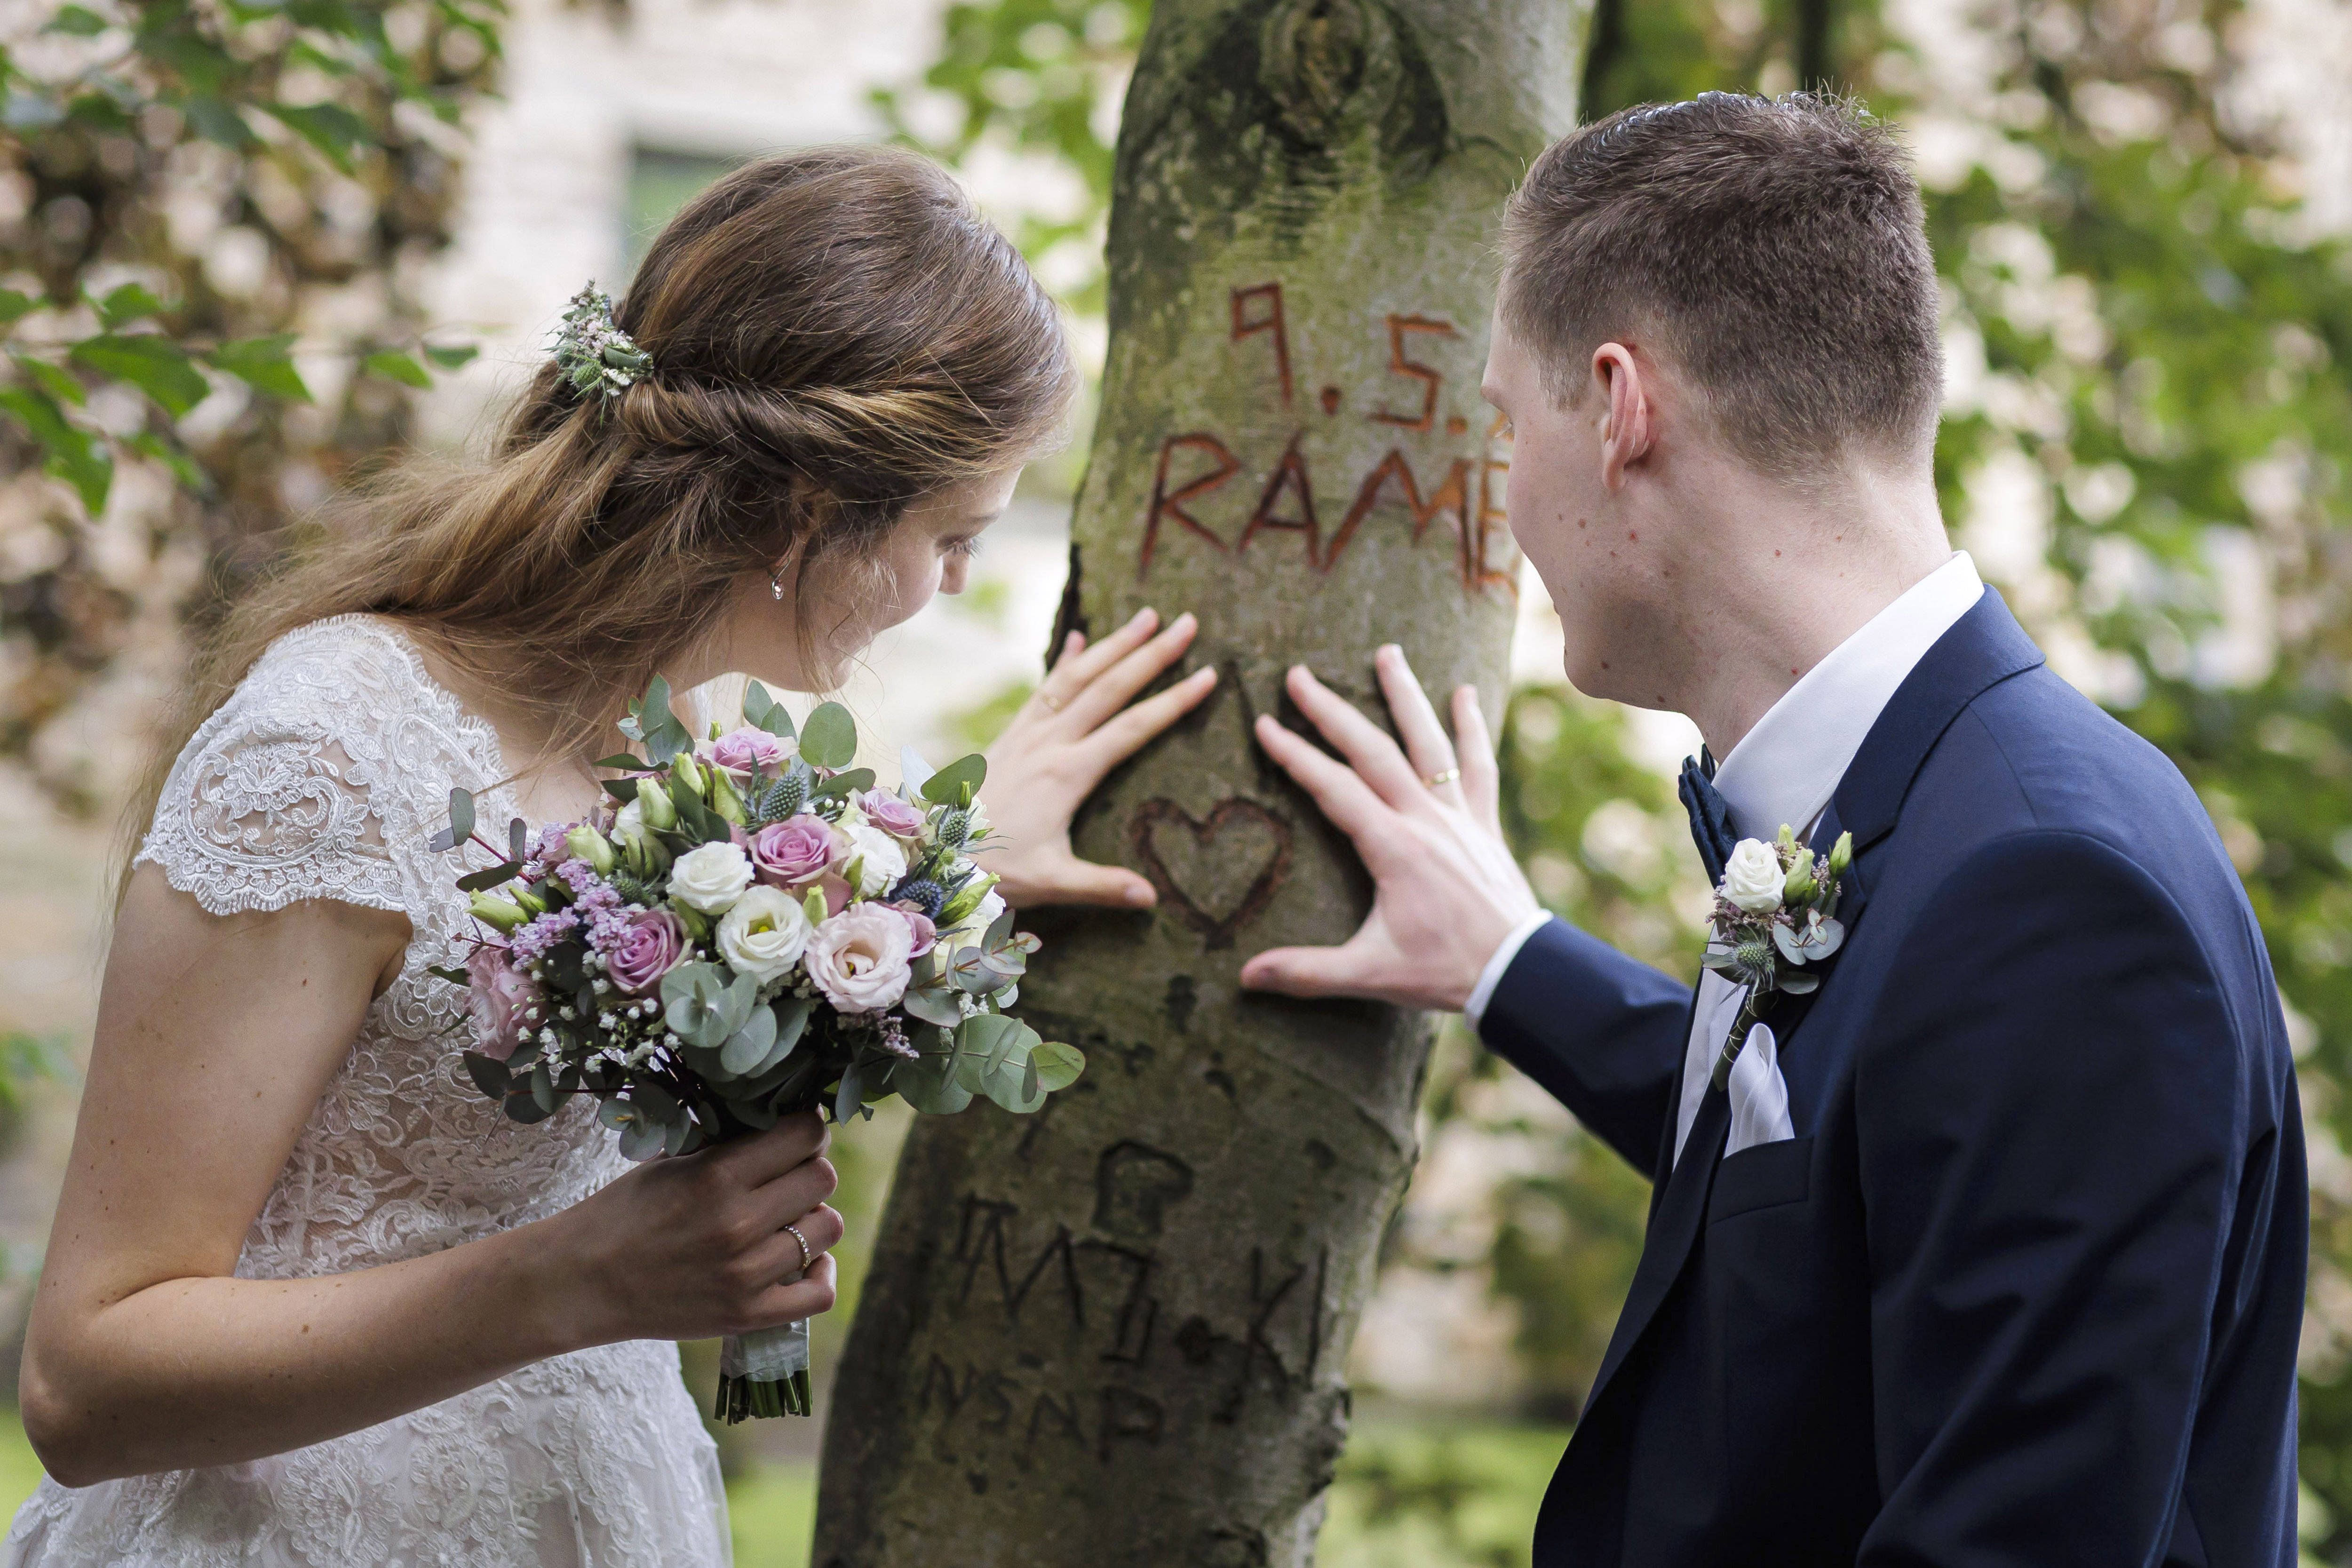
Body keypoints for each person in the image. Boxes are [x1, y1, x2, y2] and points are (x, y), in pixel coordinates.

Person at [7, 146, 1216, 1566]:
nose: (950, 586)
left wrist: (938, 876)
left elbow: (691, 984)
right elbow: (84, 1380)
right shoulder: (331, 751)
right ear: (817, 515)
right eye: (954, 538)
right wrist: (569, 1284)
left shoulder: (679, 747)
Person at [1240, 94, 2305, 1565]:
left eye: (1503, 422)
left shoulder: (2054, 892)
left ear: (1619, 407)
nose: (1504, 503)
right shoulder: (1934, 800)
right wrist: (1509, 959)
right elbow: (1841, 1165)